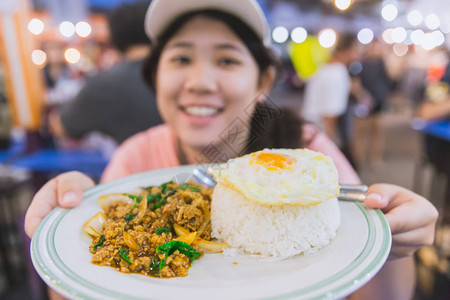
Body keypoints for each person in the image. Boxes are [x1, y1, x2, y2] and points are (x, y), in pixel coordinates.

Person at [25, 1, 438, 299]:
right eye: (181, 58)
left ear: (263, 82)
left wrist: (395, 248)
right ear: (156, 79)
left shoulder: (306, 150)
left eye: (226, 61)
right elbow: (90, 283)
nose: (200, 81)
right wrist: (65, 220)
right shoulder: (135, 159)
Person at [50, 1, 163, 145]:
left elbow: (61, 127)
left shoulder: (104, 84)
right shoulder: (172, 75)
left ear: (113, 36)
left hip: (135, 166)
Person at [301, 33, 361, 143]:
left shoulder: (325, 67)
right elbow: (329, 114)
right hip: (318, 134)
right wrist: (328, 143)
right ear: (346, 51)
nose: (357, 56)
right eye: (356, 50)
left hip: (309, 129)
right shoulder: (337, 72)